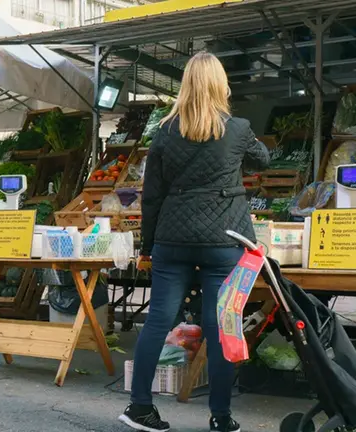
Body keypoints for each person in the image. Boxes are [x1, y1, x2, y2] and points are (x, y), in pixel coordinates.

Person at [118, 52, 270, 432]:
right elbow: (263, 160)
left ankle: (139, 407)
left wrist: (147, 247)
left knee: (157, 321)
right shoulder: (237, 128)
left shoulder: (165, 133)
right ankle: (220, 416)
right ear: (221, 86)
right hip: (223, 240)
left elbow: (150, 196)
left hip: (173, 239)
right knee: (220, 327)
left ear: (184, 86)